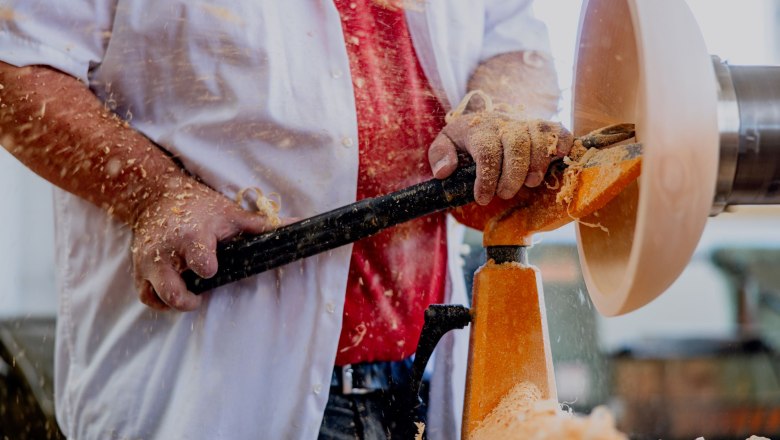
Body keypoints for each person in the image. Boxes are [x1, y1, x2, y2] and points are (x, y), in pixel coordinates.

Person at [0, 0, 567, 438]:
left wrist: (499, 116)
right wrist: (152, 191)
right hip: (212, 383)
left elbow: (512, 40)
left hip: (421, 372)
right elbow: (16, 60)